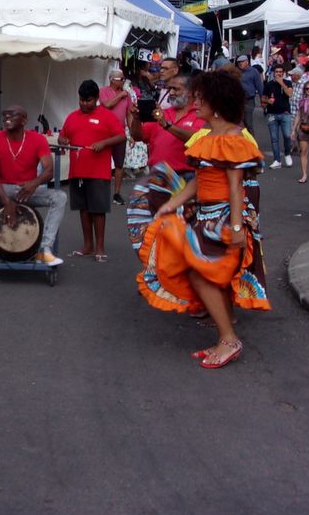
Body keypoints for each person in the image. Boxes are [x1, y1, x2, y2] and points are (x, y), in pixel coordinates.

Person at [132, 70, 270, 369]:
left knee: (202, 274)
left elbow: (236, 187)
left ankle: (229, 339)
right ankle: (225, 336)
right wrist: (172, 204)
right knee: (206, 275)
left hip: (223, 219)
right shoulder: (207, 137)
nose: (195, 105)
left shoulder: (233, 138)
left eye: (200, 99)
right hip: (207, 217)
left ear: (216, 104)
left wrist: (235, 227)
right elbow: (197, 181)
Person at [0, 105, 66, 266]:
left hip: (28, 191)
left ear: (24, 120)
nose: (7, 117)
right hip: (2, 189)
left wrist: (34, 183)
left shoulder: (37, 139)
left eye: (13, 115)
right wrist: (6, 202)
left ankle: (44, 250)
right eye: (5, 115)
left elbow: (49, 170)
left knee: (60, 197)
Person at [58, 79, 125, 262]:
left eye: (88, 100)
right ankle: (88, 245)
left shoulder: (107, 115)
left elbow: (121, 135)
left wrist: (104, 143)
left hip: (98, 171)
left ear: (96, 98)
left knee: (98, 209)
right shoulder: (72, 116)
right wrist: (62, 140)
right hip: (77, 171)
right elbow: (63, 136)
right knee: (83, 209)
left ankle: (100, 247)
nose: (84, 104)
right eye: (81, 100)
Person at [127, 73, 204, 179]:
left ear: (191, 91)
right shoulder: (162, 113)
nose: (171, 92)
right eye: (170, 89)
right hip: (157, 175)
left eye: (176, 89)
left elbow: (197, 139)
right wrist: (136, 119)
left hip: (186, 176)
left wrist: (167, 126)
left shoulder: (200, 114)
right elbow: (138, 136)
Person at [99, 70, 133, 204]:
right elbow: (107, 105)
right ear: (112, 80)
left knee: (119, 164)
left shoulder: (126, 95)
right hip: (105, 132)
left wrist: (132, 133)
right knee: (103, 163)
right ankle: (102, 191)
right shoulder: (103, 91)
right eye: (121, 79)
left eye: (124, 79)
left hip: (120, 133)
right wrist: (121, 96)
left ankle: (117, 193)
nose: (123, 81)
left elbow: (129, 114)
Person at [262, 64, 294, 169]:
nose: (279, 74)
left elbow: (289, 94)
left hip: (285, 113)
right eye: (277, 72)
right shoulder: (269, 85)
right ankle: (277, 160)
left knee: (287, 135)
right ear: (273, 73)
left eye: (280, 72)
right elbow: (262, 100)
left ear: (283, 73)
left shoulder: (288, 82)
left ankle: (287, 153)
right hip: (272, 114)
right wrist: (268, 101)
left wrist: (282, 84)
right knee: (274, 138)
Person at [236, 54, 264, 133]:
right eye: (239, 62)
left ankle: (252, 141)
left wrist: (263, 99)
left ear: (247, 62)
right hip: (238, 100)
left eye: (242, 62)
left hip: (249, 100)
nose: (240, 64)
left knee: (248, 122)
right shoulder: (236, 72)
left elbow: (259, 86)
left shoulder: (254, 72)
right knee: (239, 123)